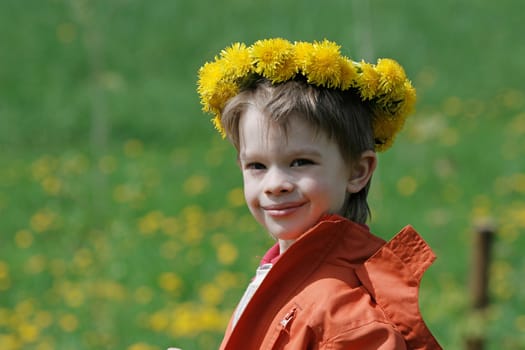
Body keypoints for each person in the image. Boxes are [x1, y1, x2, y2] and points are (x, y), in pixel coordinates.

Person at [197, 38, 442, 350]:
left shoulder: (341, 313)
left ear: (357, 172)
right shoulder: (284, 274)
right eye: (257, 165)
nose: (275, 184)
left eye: (300, 162)